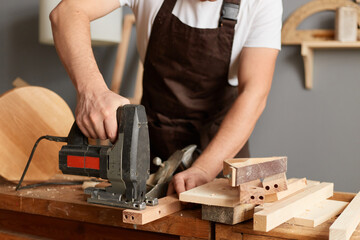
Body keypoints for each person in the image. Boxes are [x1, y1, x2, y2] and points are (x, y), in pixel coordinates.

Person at [50, 0, 282, 195]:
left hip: (221, 153)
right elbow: (67, 12)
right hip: (153, 149)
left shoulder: (263, 3)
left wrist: (204, 170)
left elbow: (254, 94)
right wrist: (92, 91)